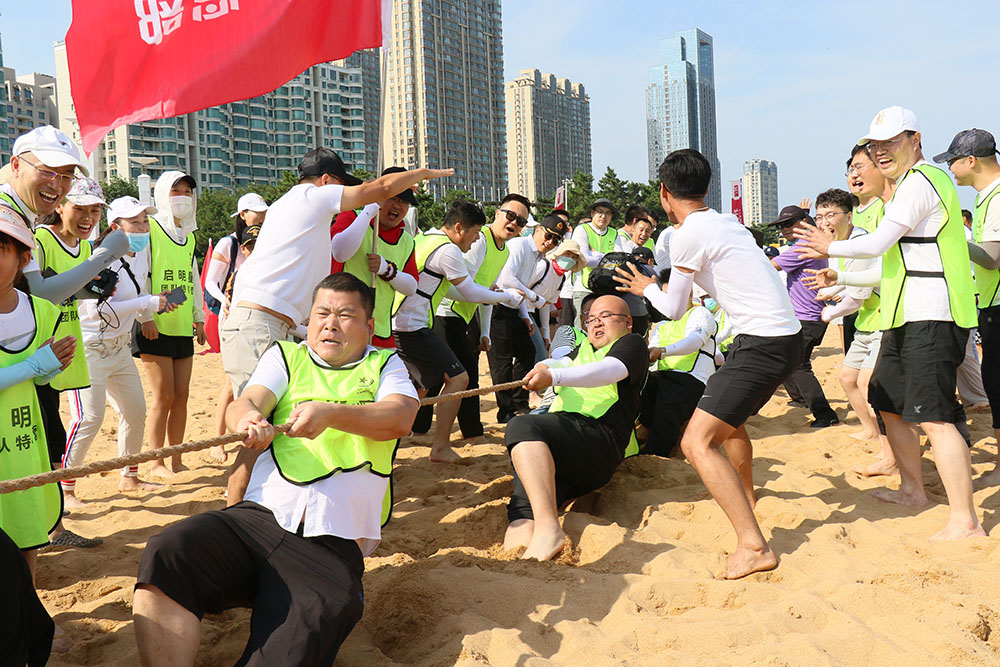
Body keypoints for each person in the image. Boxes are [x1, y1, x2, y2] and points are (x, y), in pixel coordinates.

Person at [133, 273, 419, 666]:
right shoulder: (287, 355)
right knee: (169, 551)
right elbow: (245, 400)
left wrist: (331, 413)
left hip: (332, 541)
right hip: (257, 521)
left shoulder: (386, 364)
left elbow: (401, 416)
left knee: (315, 619)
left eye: (345, 315)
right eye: (322, 313)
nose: (330, 323)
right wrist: (247, 418)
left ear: (370, 326)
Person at [795, 106, 984, 540]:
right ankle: (913, 490)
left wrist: (831, 248)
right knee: (888, 403)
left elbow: (878, 243)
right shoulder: (901, 190)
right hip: (902, 314)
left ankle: (966, 521)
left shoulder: (922, 181)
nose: (882, 152)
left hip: (934, 313)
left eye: (891, 142)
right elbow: (891, 266)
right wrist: (840, 274)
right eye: (876, 144)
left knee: (935, 417)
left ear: (915, 139)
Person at [615, 148, 802, 579]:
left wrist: (645, 286)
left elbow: (674, 308)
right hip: (783, 338)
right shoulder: (726, 221)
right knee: (728, 422)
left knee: (696, 443)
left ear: (664, 194)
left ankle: (754, 545)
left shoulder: (686, 234)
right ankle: (749, 499)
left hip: (763, 342)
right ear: (706, 187)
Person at [222, 149, 451, 501]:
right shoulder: (312, 197)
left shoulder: (294, 207)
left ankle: (248, 505)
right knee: (258, 427)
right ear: (328, 181)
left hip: (274, 323)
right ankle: (236, 509)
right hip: (259, 322)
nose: (345, 198)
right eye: (343, 187)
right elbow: (381, 187)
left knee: (268, 423)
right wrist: (421, 174)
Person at [502, 294, 647, 561]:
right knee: (523, 508)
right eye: (590, 318)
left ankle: (549, 529)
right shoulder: (582, 349)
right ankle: (517, 566)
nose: (596, 323)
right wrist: (543, 368)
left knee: (522, 426)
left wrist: (552, 375)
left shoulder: (632, 344)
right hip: (563, 445)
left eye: (605, 317)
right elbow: (560, 363)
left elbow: (609, 370)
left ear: (627, 322)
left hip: (598, 440)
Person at [61, 196, 177, 505]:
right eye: (135, 223)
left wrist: (152, 306)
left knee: (135, 410)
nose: (142, 228)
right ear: (115, 228)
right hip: (89, 350)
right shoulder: (98, 258)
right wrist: (147, 304)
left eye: (144, 222)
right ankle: (64, 489)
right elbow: (92, 312)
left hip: (119, 348)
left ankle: (130, 476)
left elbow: (132, 302)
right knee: (88, 419)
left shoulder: (137, 258)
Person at [392, 201, 522, 461]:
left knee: (419, 385)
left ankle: (393, 442)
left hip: (402, 322)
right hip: (410, 326)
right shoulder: (448, 250)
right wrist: (507, 296)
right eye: (475, 234)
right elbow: (469, 291)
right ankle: (439, 447)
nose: (475, 242)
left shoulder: (425, 238)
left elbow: (451, 289)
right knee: (459, 378)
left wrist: (493, 297)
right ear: (459, 228)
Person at [0, 207, 75, 584]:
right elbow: (27, 370)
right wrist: (32, 367)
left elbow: (42, 386)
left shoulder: (41, 311)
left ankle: (29, 621)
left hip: (23, 443)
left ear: (23, 258)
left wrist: (47, 370)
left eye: (0, 248)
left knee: (27, 535)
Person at [133, 171, 207, 477]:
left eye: (187, 191)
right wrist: (146, 316)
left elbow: (193, 280)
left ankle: (175, 458)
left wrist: (199, 319)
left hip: (180, 325)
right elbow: (140, 274)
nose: (182, 196)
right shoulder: (150, 228)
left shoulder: (189, 237)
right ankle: (156, 461)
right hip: (154, 324)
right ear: (163, 194)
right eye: (175, 190)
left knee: (182, 396)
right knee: (162, 396)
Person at [938, 128, 1000, 486]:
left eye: (953, 162)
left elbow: (991, 257)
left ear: (971, 161)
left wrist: (952, 237)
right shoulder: (984, 197)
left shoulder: (995, 196)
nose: (951, 169)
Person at [33, 178, 106, 471]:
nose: (88, 218)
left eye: (96, 210)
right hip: (39, 347)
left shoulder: (86, 249)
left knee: (53, 424)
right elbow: (32, 291)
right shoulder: (41, 239)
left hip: (66, 344)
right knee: (48, 428)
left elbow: (75, 292)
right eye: (80, 208)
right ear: (60, 206)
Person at [330, 167, 419, 349]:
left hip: (381, 333)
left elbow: (411, 286)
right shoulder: (352, 216)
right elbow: (339, 252)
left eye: (404, 201)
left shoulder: (406, 240)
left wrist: (387, 270)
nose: (397, 206)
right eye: (392, 198)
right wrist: (369, 208)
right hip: (341, 327)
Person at [768, 204, 840, 428]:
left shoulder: (805, 245)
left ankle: (825, 415)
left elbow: (771, 266)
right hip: (806, 315)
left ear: (805, 222)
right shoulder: (806, 242)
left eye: (789, 223)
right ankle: (800, 399)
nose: (784, 229)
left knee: (799, 364)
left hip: (808, 316)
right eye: (781, 225)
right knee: (786, 358)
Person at [491, 215, 566, 422]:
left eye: (556, 240)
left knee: (527, 352)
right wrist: (534, 298)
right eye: (549, 236)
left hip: (514, 308)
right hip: (496, 306)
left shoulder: (539, 258)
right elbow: (507, 279)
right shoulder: (519, 245)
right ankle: (505, 411)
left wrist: (525, 315)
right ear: (539, 229)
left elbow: (520, 288)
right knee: (502, 361)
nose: (550, 242)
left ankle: (519, 400)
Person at [641, 272, 718, 456]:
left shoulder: (700, 313)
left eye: (674, 296)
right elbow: (651, 354)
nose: (671, 302)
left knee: (667, 404)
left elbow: (694, 341)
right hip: (663, 378)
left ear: (689, 293)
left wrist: (663, 351)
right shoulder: (661, 325)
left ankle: (657, 454)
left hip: (692, 380)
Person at [207, 223, 261, 463]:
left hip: (256, 335)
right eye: (250, 245)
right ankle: (218, 441)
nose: (255, 249)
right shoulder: (242, 273)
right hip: (238, 334)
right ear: (244, 249)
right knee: (231, 386)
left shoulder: (270, 269)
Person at [571, 199, 617, 328]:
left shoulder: (614, 233)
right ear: (592, 213)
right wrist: (606, 258)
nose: (603, 216)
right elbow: (584, 259)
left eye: (608, 213)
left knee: (604, 327)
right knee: (583, 328)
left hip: (606, 289)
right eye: (600, 212)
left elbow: (619, 261)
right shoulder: (582, 230)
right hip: (584, 289)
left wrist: (597, 257)